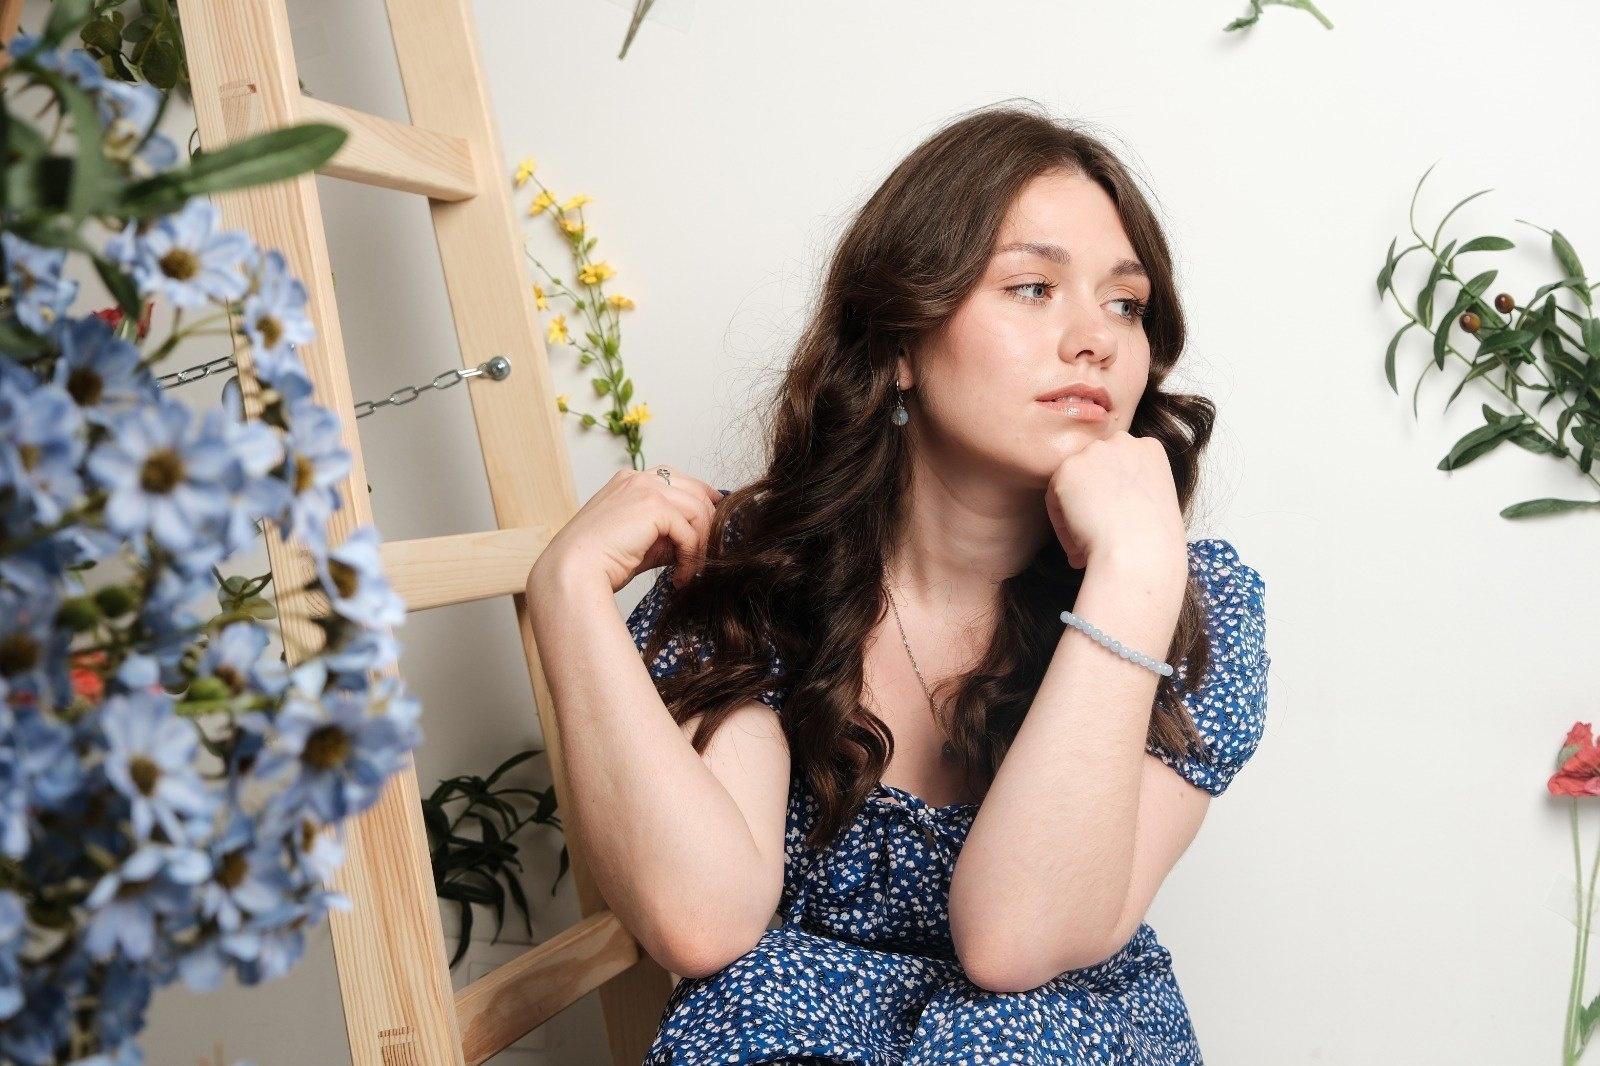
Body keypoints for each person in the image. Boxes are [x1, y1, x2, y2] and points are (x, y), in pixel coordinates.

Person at [526, 100, 1271, 1065]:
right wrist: (568, 594)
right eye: (1033, 288)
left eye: (1126, 304)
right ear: (900, 344)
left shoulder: (1193, 604)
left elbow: (1015, 943)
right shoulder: (764, 569)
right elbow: (702, 922)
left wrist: (1131, 575)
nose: (1096, 338)